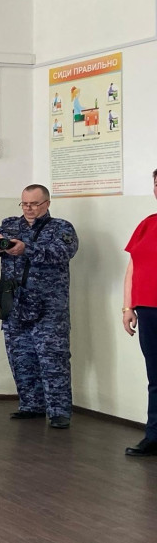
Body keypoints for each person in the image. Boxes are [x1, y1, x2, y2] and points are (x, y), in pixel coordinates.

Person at [0, 184, 78, 429]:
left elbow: (63, 252)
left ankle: (59, 412)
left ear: (47, 203)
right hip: (14, 304)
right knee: (21, 357)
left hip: (49, 307)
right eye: (25, 203)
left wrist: (26, 249)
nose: (29, 208)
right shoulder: (10, 226)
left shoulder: (61, 228)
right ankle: (31, 405)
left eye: (34, 204)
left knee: (53, 359)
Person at [122, 169, 157, 457]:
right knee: (155, 377)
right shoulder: (148, 224)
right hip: (148, 310)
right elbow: (133, 267)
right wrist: (128, 306)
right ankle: (154, 436)